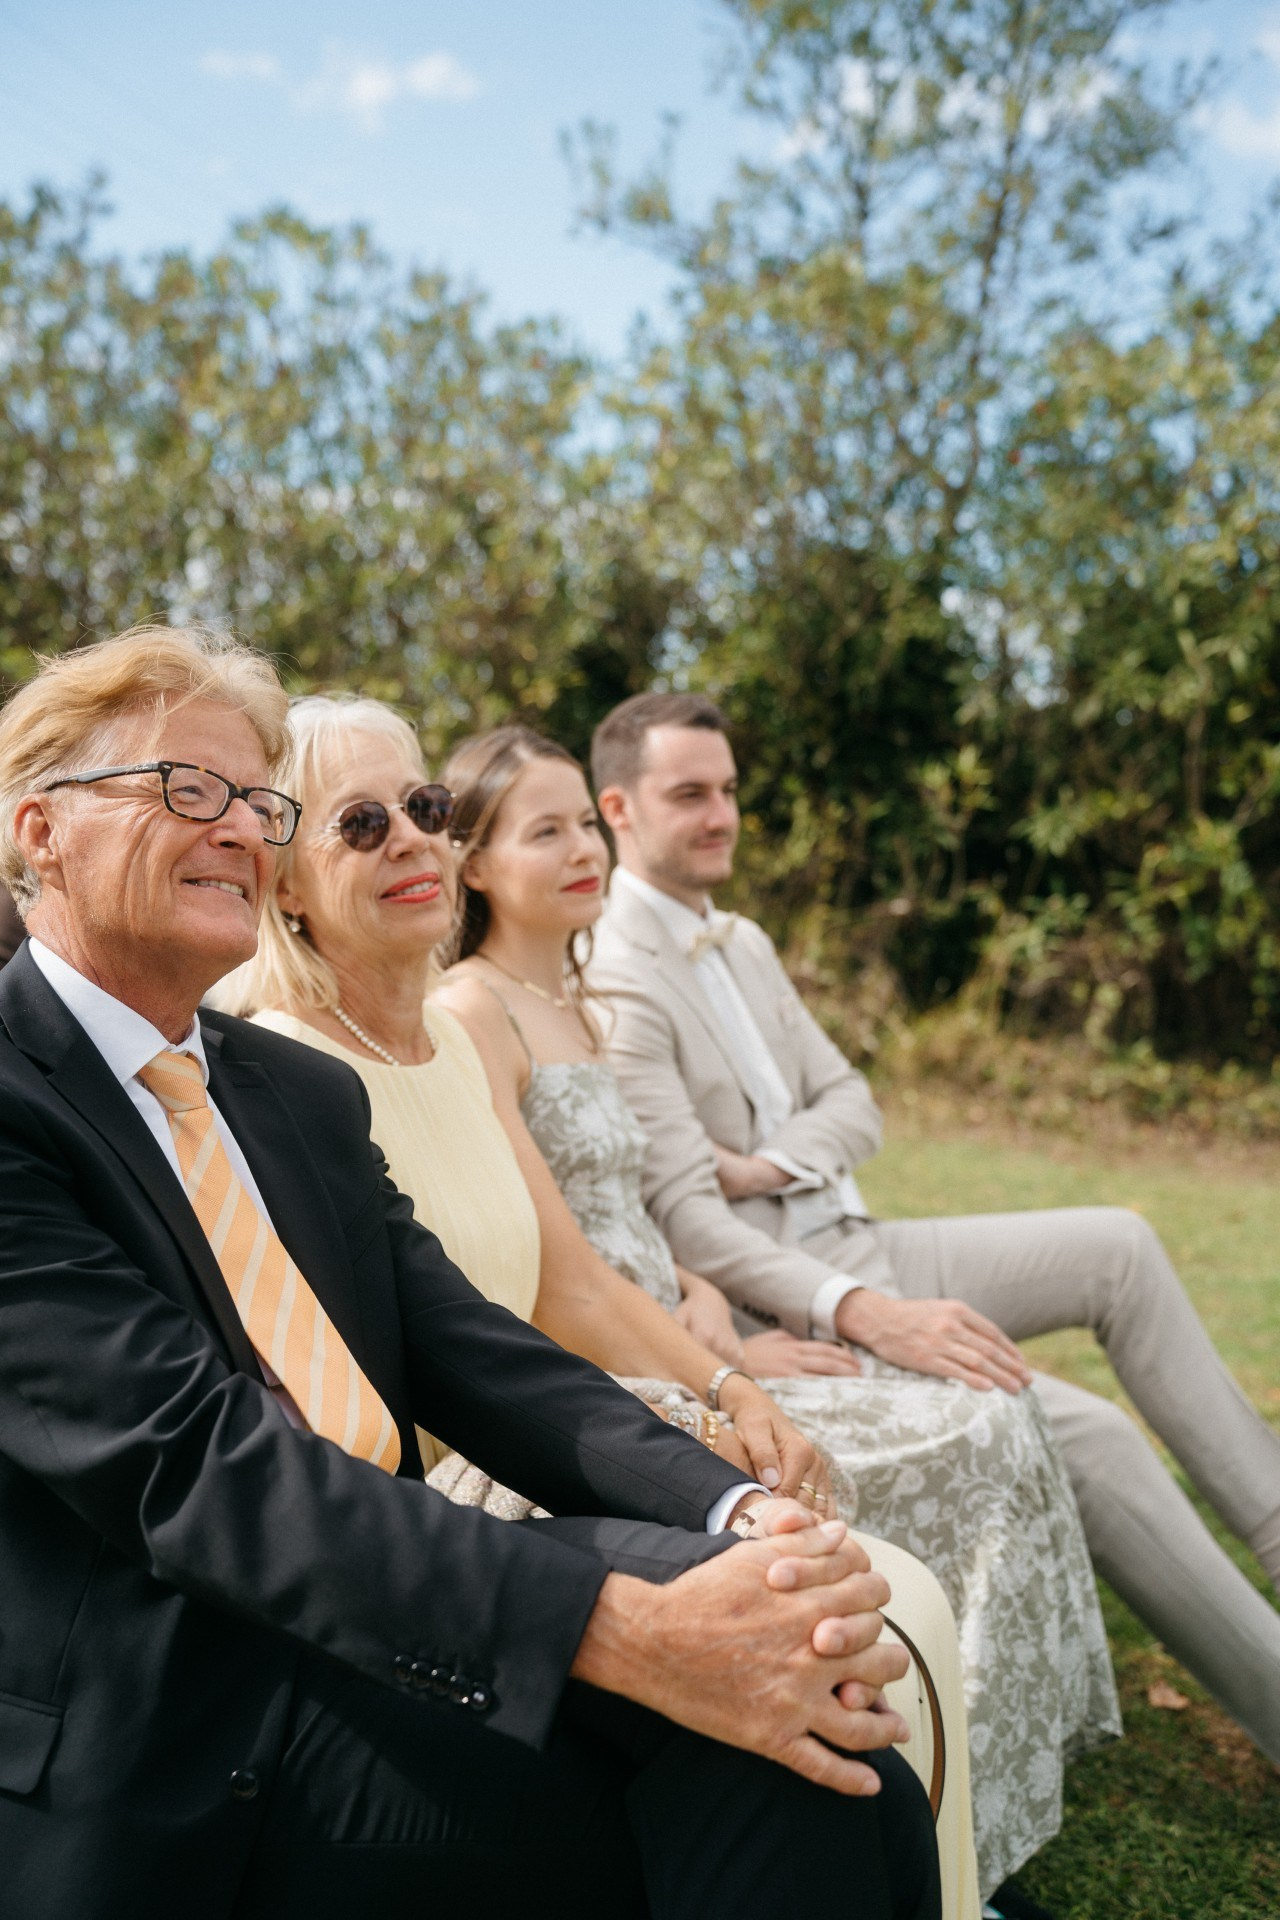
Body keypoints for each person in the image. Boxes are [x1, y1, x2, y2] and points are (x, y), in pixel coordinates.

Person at [0, 628, 940, 1920]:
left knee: (829, 1752)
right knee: (777, 1769)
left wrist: (730, 1512)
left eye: (258, 802)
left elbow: (483, 1356)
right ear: (40, 832)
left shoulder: (293, 1097)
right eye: (187, 789)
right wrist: (622, 1626)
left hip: (392, 1625)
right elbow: (208, 1469)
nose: (237, 829)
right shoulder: (11, 1104)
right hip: (178, 1716)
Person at [433, 722, 1119, 1905]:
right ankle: (939, 1837)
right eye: (541, 829)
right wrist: (721, 1374)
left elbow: (652, 1222)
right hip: (624, 1377)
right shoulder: (470, 1011)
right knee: (974, 1437)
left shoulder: (587, 1005)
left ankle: (968, 1817)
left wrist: (722, 1317)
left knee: (998, 1425)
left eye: (583, 825)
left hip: (692, 1335)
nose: (581, 849)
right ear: (475, 865)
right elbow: (563, 1274)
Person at [585, 688, 1280, 1769]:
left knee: (1119, 1247)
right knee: (1083, 1434)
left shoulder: (747, 941)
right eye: (690, 795)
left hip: (863, 1229)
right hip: (801, 1285)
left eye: (727, 790)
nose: (719, 815)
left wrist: (768, 1161)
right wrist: (864, 1310)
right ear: (618, 808)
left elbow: (853, 1102)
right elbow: (693, 1222)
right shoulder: (616, 979)